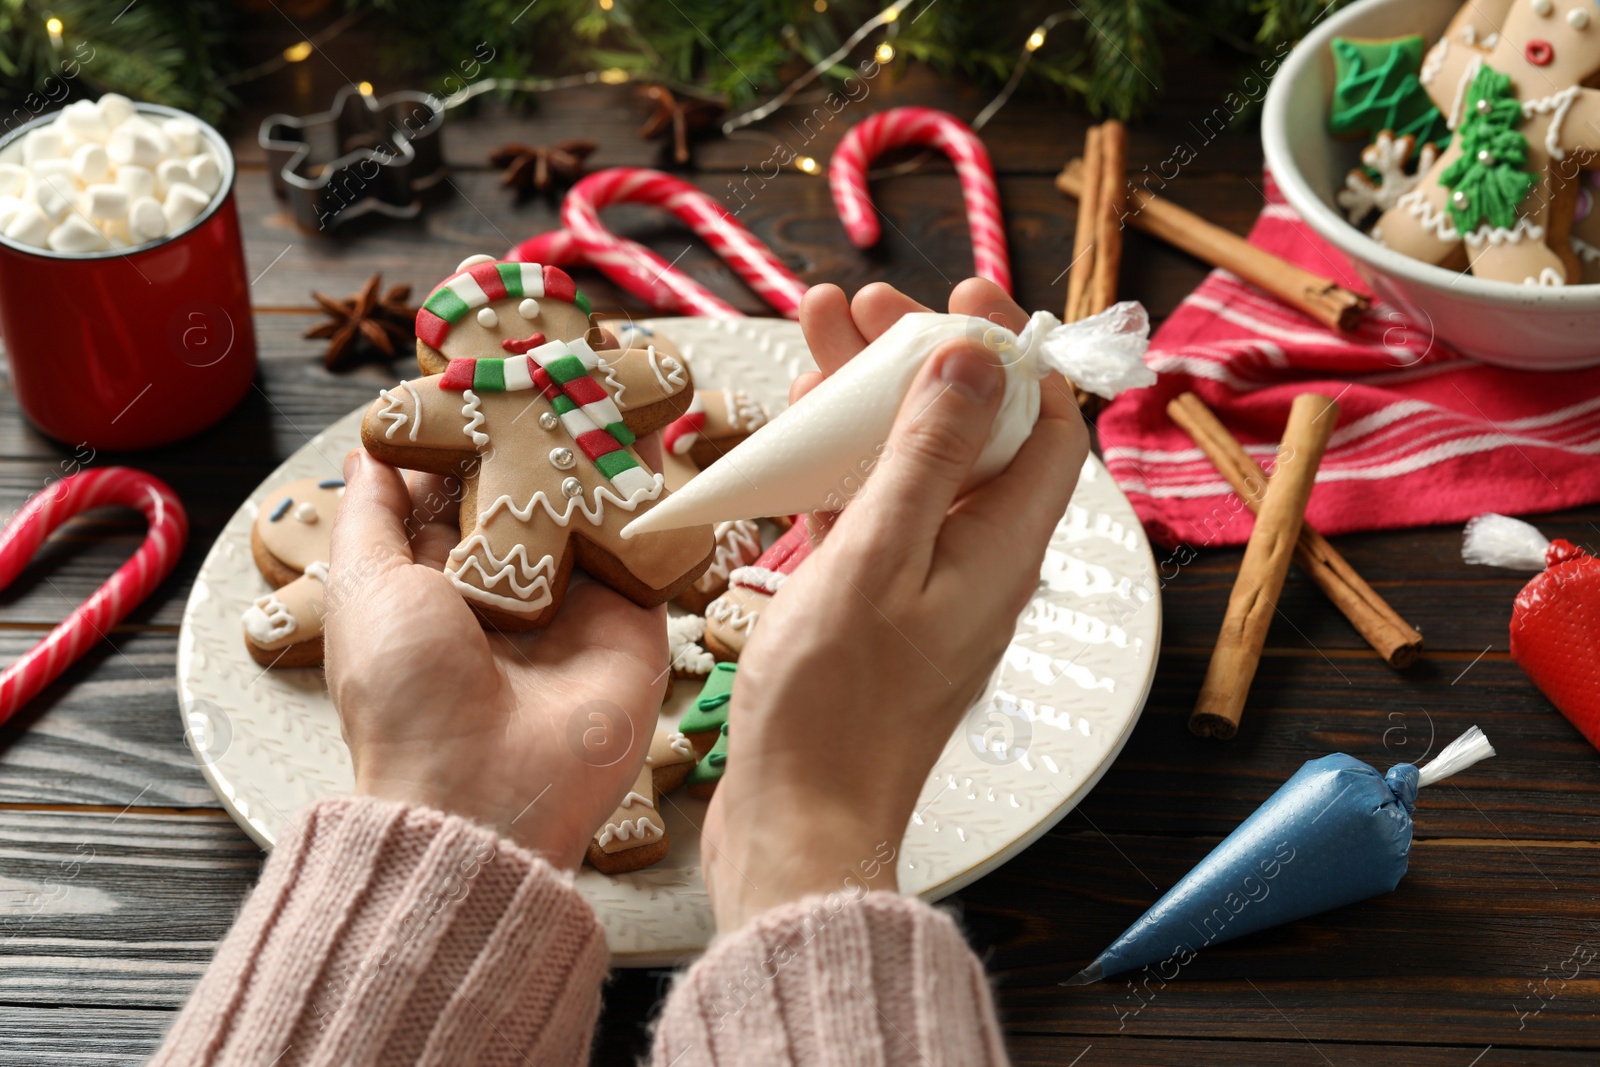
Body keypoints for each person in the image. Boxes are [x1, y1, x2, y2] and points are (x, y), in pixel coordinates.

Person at [151, 278, 1089, 1066]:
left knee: (643, 540)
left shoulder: (601, 374)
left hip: (615, 505)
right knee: (531, 539)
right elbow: (411, 415)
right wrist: (813, 811)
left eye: (534, 314)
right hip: (514, 518)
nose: (514, 332)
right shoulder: (472, 398)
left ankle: (632, 558)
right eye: (485, 325)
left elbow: (663, 374)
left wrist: (446, 788)